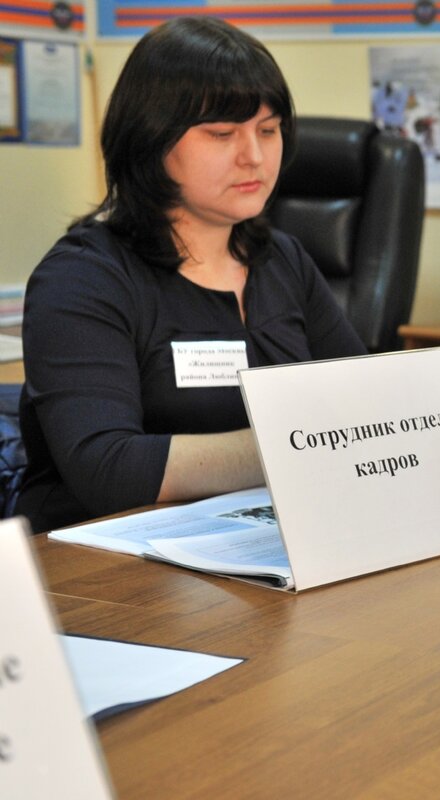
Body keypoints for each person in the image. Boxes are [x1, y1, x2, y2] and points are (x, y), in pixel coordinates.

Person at [16, 17, 366, 533]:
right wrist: (300, 444)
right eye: (222, 134)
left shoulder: (283, 259)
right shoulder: (84, 277)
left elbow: (367, 405)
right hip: (106, 559)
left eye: (268, 130)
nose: (254, 156)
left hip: (259, 538)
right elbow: (107, 469)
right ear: (151, 140)